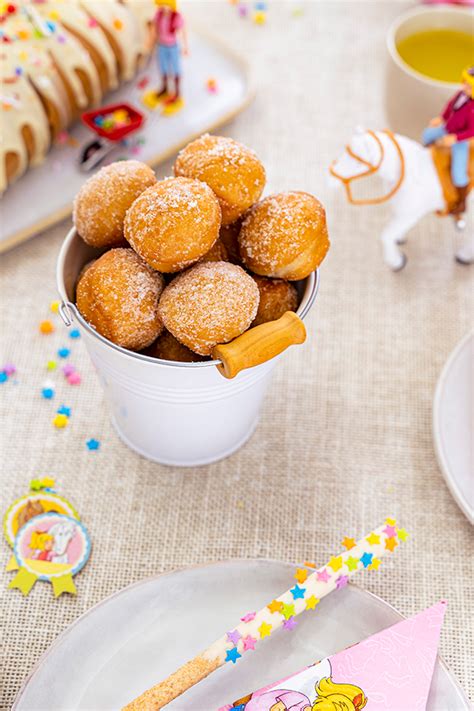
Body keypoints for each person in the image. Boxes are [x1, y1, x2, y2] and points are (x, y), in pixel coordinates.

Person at [422, 65, 474, 214]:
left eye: (469, 85)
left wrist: (455, 138)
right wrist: (441, 118)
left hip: (459, 139)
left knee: (458, 173)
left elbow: (472, 131)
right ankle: (427, 154)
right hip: (447, 127)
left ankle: (461, 201)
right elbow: (449, 106)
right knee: (427, 134)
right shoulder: (460, 94)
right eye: (465, 82)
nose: (465, 86)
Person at [154, 0, 187, 106]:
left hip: (173, 47)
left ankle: (177, 92)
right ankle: (165, 88)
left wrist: (185, 46)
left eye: (167, 4)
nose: (164, 7)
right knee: (163, 67)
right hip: (161, 46)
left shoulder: (176, 17)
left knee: (176, 68)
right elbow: (154, 30)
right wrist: (149, 43)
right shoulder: (158, 15)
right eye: (162, 4)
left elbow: (182, 31)